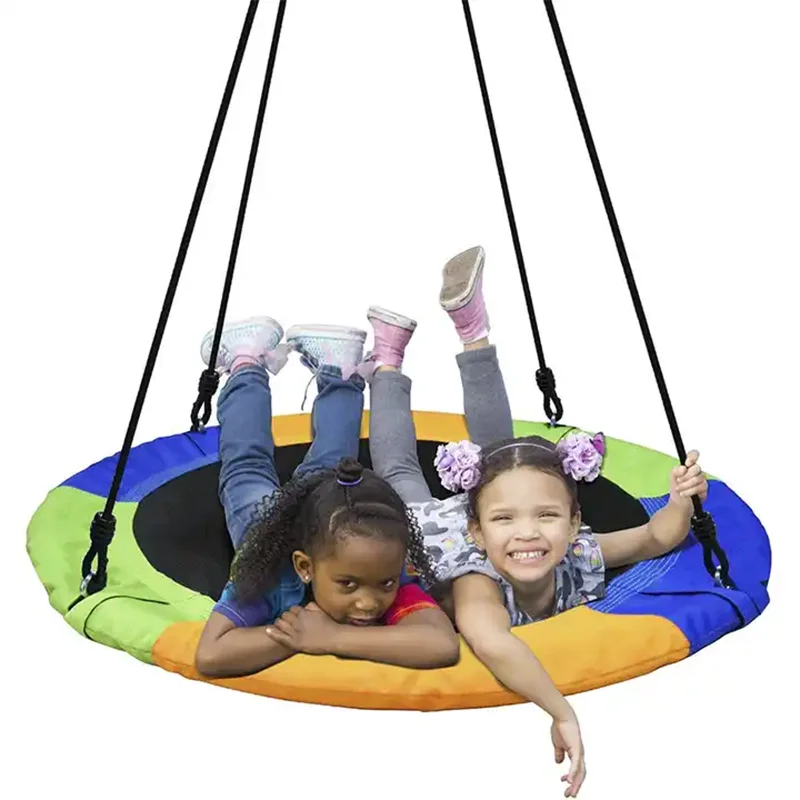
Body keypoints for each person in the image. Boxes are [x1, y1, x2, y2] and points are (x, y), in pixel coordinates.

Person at [364, 245, 709, 798]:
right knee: (400, 470)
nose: (529, 534)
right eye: (509, 521)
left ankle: (467, 327)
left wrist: (682, 499)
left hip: (480, 519)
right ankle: (389, 358)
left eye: (548, 517)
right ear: (479, 532)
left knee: (505, 461)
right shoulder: (478, 583)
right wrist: (560, 709)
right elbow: (493, 642)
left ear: (575, 524)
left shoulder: (576, 553)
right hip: (427, 529)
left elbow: (655, 537)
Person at [193, 316, 460, 679]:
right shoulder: (269, 575)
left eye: (385, 584)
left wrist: (332, 637)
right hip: (262, 524)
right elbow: (211, 655)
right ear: (305, 567)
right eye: (347, 584)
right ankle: (246, 362)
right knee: (246, 465)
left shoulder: (381, 566)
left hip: (318, 504)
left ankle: (339, 366)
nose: (368, 602)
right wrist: (298, 636)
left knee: (332, 466)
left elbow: (442, 644)